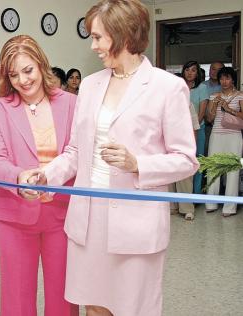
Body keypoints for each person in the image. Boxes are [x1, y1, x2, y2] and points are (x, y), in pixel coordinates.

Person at [20, 1, 198, 315]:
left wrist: (137, 164)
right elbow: (76, 151)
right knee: (95, 306)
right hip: (88, 221)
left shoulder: (167, 88)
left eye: (99, 37)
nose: (94, 46)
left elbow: (186, 159)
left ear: (124, 35)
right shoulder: (90, 85)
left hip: (136, 223)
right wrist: (47, 174)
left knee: (133, 307)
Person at [0, 35, 78, 316]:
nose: (23, 81)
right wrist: (18, 177)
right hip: (15, 216)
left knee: (63, 297)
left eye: (28, 71)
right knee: (17, 298)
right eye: (13, 75)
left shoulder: (71, 104)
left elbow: (77, 152)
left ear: (41, 65)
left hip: (62, 214)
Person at [205, 67, 243, 217]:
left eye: (227, 78)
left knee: (233, 170)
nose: (224, 82)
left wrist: (228, 109)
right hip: (216, 134)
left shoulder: (240, 95)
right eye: (222, 79)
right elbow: (209, 119)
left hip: (234, 135)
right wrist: (214, 106)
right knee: (213, 168)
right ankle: (211, 203)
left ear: (233, 79)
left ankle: (230, 207)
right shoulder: (214, 95)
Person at [169, 100, 200, 220]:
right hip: (167, 144)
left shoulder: (188, 103)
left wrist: (193, 148)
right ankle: (172, 206)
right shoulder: (162, 101)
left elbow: (195, 127)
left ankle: (187, 209)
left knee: (185, 177)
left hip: (185, 144)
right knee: (168, 176)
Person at [181, 60, 208, 194]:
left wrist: (192, 128)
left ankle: (195, 194)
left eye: (193, 70)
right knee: (182, 162)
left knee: (197, 162)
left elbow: (202, 113)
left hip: (198, 129)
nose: (190, 73)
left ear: (197, 73)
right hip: (180, 132)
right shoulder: (179, 86)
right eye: (187, 70)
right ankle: (182, 197)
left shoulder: (202, 88)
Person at [202, 61, 224, 156]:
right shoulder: (201, 86)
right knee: (205, 151)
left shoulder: (227, 86)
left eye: (219, 70)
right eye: (213, 69)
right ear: (210, 70)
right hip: (205, 126)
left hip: (222, 126)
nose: (215, 72)